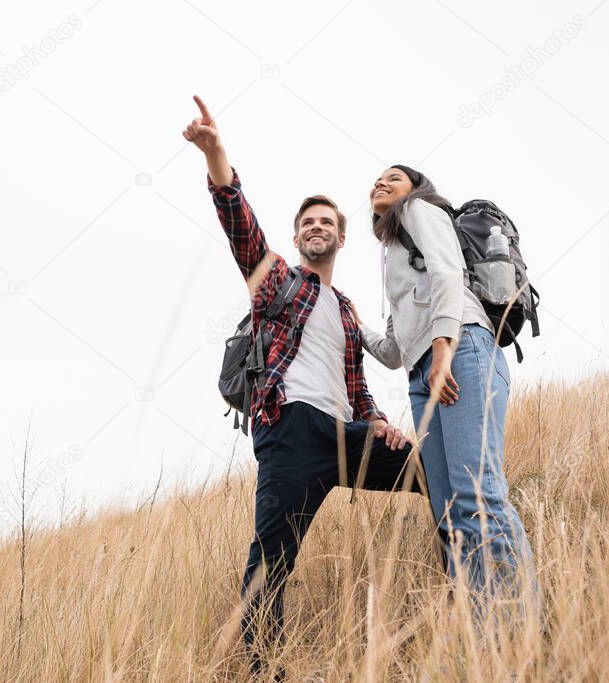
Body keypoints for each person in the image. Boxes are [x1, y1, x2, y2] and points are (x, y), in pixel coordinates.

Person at [182, 97, 422, 674]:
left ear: (341, 239)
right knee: (273, 559)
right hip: (289, 430)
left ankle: (471, 584)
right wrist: (217, 155)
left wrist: (380, 422)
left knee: (434, 472)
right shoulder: (277, 284)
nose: (317, 228)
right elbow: (241, 226)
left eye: (327, 223)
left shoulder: (343, 308)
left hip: (347, 432)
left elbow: (356, 384)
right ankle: (266, 669)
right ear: (297, 239)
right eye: (307, 223)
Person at [357, 164, 538, 607]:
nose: (380, 182)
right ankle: (482, 641)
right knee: (449, 512)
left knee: (477, 493)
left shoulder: (419, 209)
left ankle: (521, 628)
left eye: (393, 177)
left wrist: (442, 346)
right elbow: (396, 351)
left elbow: (447, 272)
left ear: (414, 189)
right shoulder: (395, 254)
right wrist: (354, 322)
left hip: (462, 350)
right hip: (422, 373)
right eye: (376, 178)